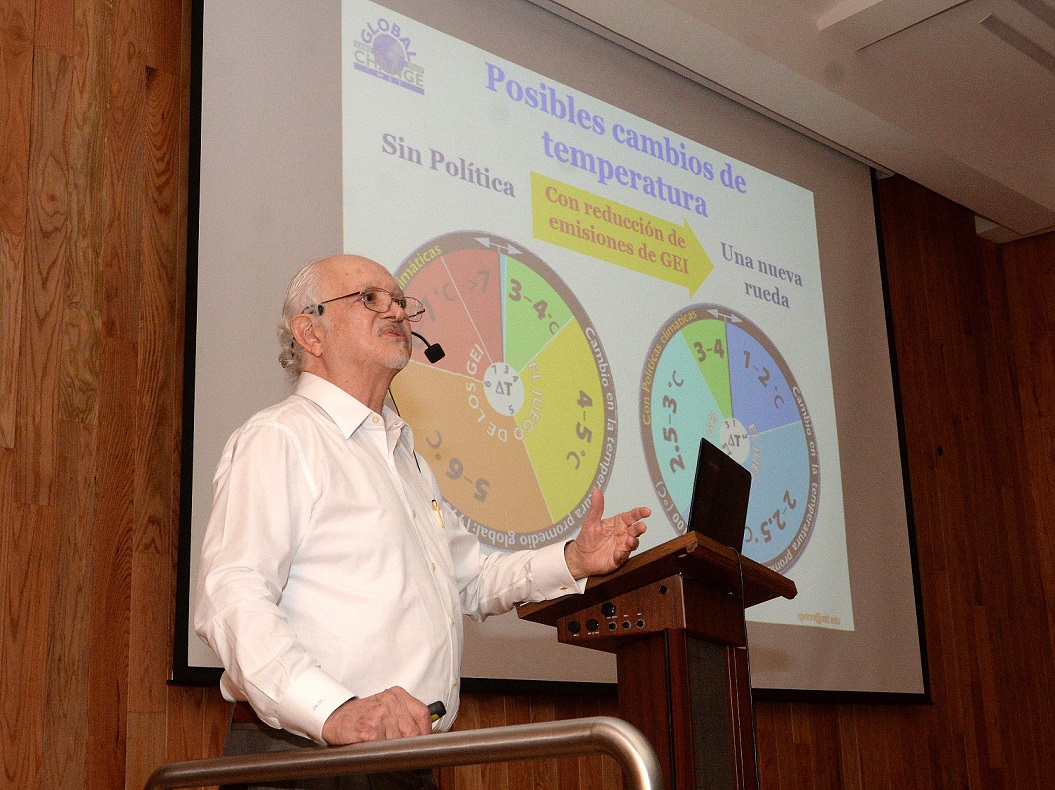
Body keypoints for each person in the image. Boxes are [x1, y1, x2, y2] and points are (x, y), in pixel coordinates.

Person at [193, 254, 650, 790]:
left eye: (401, 302)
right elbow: (232, 595)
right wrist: (332, 711)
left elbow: (469, 580)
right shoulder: (282, 438)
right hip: (306, 758)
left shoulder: (402, 456)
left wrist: (572, 559)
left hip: (404, 759)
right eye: (369, 299)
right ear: (309, 332)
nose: (397, 312)